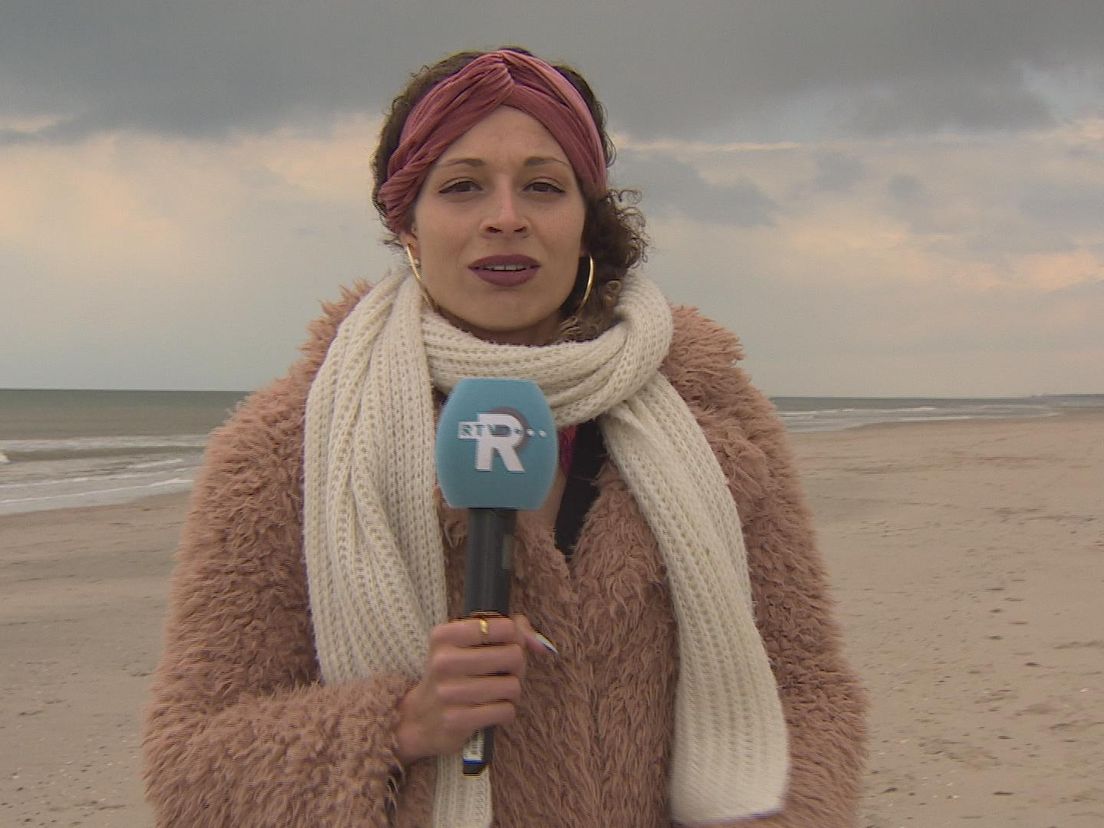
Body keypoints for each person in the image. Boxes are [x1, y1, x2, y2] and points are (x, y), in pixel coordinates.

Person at [143, 47, 866, 827]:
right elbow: (189, 766)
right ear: (407, 224)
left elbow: (806, 685)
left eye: (543, 186)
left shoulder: (713, 419)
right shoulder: (289, 448)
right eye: (462, 187)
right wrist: (400, 722)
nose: (506, 216)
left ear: (586, 221)